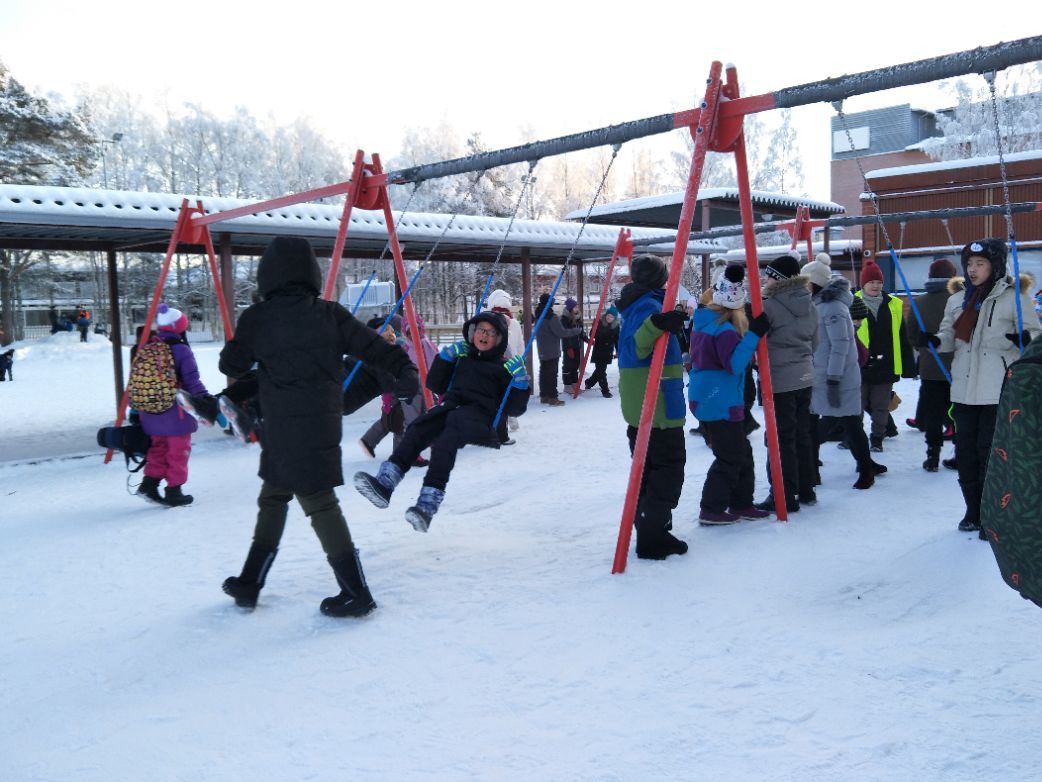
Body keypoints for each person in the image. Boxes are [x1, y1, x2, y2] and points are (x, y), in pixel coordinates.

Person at [219, 237, 418, 618]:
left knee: (314, 502)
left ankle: (357, 593)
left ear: (267, 275)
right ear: (311, 272)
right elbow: (373, 348)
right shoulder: (329, 315)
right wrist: (404, 369)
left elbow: (232, 365)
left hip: (279, 424)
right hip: (320, 423)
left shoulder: (258, 319)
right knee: (276, 497)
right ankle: (250, 582)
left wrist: (253, 332)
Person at [353, 310, 530, 533]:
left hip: (481, 417)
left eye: (492, 332)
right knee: (419, 427)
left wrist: (521, 384)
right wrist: (445, 359)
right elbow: (436, 384)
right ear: (473, 332)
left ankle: (427, 505)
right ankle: (386, 482)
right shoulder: (462, 358)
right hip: (452, 409)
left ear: (500, 339)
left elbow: (514, 408)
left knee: (447, 437)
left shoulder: (503, 368)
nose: (484, 335)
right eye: (481, 330)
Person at [936, 238, 1040, 534]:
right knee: (965, 452)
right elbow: (948, 334)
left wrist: (1023, 341)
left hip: (998, 389)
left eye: (979, 264)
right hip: (965, 388)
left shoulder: (1013, 297)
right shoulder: (957, 300)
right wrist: (934, 341)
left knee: (989, 453)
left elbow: (1034, 333)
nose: (972, 269)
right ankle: (973, 511)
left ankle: (991, 513)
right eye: (968, 263)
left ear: (994, 266)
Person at [616, 254, 689, 559]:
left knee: (648, 471)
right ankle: (651, 534)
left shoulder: (637, 302)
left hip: (648, 400)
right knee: (667, 472)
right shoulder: (648, 305)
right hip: (656, 402)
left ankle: (651, 527)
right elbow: (638, 345)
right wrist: (658, 322)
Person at [688, 265, 771, 524]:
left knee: (741, 451)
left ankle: (740, 502)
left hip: (711, 396)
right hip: (720, 400)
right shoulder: (724, 331)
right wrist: (754, 336)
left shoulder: (705, 323)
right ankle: (711, 508)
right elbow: (734, 365)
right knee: (732, 456)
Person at [803, 256, 884, 490]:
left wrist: (834, 378)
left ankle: (866, 469)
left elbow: (841, 344)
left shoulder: (832, 307)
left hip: (837, 377)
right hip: (825, 374)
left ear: (815, 282)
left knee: (845, 425)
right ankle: (814, 470)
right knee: (832, 424)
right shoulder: (820, 304)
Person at [755, 251, 818, 513]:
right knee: (802, 434)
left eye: (767, 276)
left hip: (779, 379)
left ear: (776, 278)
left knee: (780, 438)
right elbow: (816, 341)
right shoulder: (809, 301)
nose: (764, 280)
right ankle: (806, 487)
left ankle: (784, 492)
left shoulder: (768, 306)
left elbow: (759, 341)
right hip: (805, 375)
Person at [135, 303, 209, 506]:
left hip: (150, 411)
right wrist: (205, 400)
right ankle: (174, 490)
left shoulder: (148, 347)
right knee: (178, 451)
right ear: (179, 327)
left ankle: (149, 484)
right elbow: (192, 381)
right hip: (175, 410)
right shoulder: (181, 350)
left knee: (158, 447)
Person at [854, 260, 915, 452]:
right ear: (863, 284)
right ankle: (854, 437)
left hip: (886, 364)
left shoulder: (894, 304)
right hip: (860, 364)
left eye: (879, 282)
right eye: (871, 282)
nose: (875, 285)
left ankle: (877, 437)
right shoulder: (852, 302)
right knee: (857, 406)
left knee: (881, 406)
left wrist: (908, 366)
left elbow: (902, 336)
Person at [905, 257, 957, 471]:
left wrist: (924, 346)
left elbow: (913, 336)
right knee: (959, 411)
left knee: (934, 414)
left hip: (931, 366)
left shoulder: (919, 303)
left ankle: (932, 457)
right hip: (959, 366)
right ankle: (960, 454)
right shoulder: (961, 300)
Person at [484, 289, 524, 439]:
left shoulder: (487, 321)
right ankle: (510, 416)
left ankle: (496, 422)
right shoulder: (514, 323)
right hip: (511, 363)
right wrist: (520, 361)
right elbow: (520, 346)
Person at [534, 292, 582, 406]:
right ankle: (553, 397)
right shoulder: (551, 316)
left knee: (544, 372)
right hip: (552, 349)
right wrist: (577, 331)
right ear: (550, 304)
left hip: (542, 348)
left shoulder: (539, 315)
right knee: (551, 374)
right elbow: (561, 332)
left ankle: (544, 396)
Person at [583, 307, 620, 397]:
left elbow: (617, 340)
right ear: (606, 315)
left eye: (612, 317)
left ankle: (589, 382)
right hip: (599, 350)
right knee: (601, 371)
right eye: (608, 315)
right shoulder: (599, 323)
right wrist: (594, 326)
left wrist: (618, 351)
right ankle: (605, 390)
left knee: (600, 370)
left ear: (614, 318)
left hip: (608, 352)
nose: (609, 318)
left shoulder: (616, 326)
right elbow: (592, 334)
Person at [560, 297, 587, 393]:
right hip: (568, 346)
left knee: (575, 365)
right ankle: (567, 386)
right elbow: (565, 334)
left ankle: (575, 385)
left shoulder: (578, 317)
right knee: (568, 366)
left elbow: (580, 331)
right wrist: (568, 348)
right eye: (575, 307)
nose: (577, 308)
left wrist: (587, 339)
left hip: (576, 345)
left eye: (577, 306)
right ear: (571, 308)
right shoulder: (564, 319)